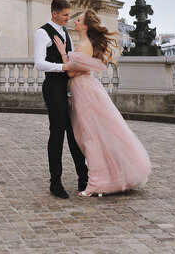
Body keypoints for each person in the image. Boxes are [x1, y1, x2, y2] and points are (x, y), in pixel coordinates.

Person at [54, 10, 151, 196]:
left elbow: (71, 73)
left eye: (79, 20)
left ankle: (96, 184)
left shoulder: (83, 45)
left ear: (85, 26)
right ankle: (109, 176)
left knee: (90, 137)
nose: (75, 22)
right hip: (86, 89)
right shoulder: (84, 44)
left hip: (83, 91)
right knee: (96, 135)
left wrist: (62, 54)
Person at [34, 0, 89, 199]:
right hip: (53, 87)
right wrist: (63, 67)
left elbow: (71, 56)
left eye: (69, 14)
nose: (68, 18)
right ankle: (55, 182)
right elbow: (39, 63)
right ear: (54, 13)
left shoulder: (65, 32)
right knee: (57, 134)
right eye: (65, 14)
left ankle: (83, 178)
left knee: (74, 133)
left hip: (67, 86)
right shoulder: (42, 33)